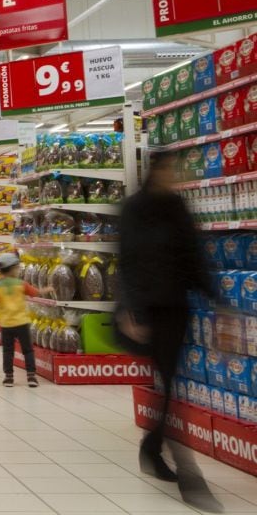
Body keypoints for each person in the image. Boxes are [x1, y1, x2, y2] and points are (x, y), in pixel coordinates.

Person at [119, 152, 222, 512]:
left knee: (169, 384)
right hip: (146, 312)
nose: (172, 176)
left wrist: (217, 298)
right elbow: (125, 261)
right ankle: (190, 478)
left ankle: (152, 448)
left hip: (176, 307)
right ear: (155, 171)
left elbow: (191, 255)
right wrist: (128, 310)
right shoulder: (133, 209)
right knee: (168, 385)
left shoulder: (177, 206)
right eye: (168, 170)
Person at [0, 252, 52, 388]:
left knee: (7, 351)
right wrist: (48, 289)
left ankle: (8, 377)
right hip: (22, 323)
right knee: (28, 350)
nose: (18, 270)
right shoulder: (21, 284)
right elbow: (36, 293)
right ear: (12, 268)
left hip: (6, 324)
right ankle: (31, 377)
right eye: (17, 268)